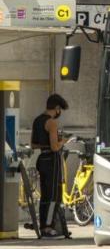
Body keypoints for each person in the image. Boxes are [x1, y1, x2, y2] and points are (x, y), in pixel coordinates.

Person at [30, 94, 69, 238]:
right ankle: (48, 228)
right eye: (60, 110)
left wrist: (46, 144)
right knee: (54, 195)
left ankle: (43, 226)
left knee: (45, 194)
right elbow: (54, 147)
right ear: (57, 108)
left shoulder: (37, 120)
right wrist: (63, 141)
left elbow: (33, 144)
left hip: (41, 159)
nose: (59, 113)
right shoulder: (51, 122)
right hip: (52, 160)